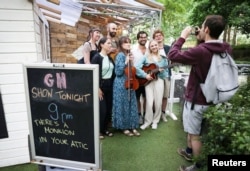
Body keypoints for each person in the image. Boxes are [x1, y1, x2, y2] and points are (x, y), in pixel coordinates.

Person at [168, 15, 232, 171]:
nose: (201, 29)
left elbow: (173, 55)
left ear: (207, 29)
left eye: (203, 27)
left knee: (195, 135)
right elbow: (205, 54)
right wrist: (200, 39)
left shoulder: (201, 51)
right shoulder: (226, 48)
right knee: (196, 131)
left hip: (197, 101)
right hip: (214, 98)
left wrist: (182, 37)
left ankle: (197, 166)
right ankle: (189, 152)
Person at [135, 40, 169, 130]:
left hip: (159, 81)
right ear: (149, 48)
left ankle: (155, 121)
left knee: (158, 102)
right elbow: (136, 67)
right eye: (152, 46)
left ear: (158, 46)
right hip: (148, 82)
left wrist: (161, 72)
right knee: (149, 102)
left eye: (155, 45)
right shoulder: (146, 57)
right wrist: (145, 75)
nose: (154, 47)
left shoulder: (163, 58)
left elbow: (165, 73)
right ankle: (147, 121)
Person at [112, 36, 140, 137]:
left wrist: (131, 61)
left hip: (130, 82)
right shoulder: (120, 55)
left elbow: (132, 70)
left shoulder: (128, 54)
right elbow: (118, 72)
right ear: (121, 45)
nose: (128, 44)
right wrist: (126, 61)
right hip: (121, 83)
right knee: (123, 105)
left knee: (131, 104)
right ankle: (124, 127)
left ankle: (132, 126)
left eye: (129, 42)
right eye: (125, 43)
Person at [91, 37, 115, 139]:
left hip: (110, 86)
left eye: (111, 43)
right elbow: (92, 73)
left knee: (109, 109)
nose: (110, 45)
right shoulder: (97, 57)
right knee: (102, 109)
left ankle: (105, 129)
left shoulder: (109, 58)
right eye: (108, 43)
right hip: (100, 86)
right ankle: (98, 131)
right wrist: (97, 88)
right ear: (101, 45)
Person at [152, 29, 177, 121]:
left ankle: (163, 113)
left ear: (163, 37)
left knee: (165, 95)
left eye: (160, 35)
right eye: (156, 36)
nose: (158, 37)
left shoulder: (168, 48)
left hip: (166, 75)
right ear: (154, 38)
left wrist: (172, 64)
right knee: (155, 96)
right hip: (155, 76)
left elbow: (173, 62)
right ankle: (155, 113)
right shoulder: (152, 48)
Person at [131, 31, 148, 125]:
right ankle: (138, 115)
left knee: (146, 97)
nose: (143, 39)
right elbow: (132, 66)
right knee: (137, 97)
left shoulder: (149, 50)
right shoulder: (133, 50)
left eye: (145, 37)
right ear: (138, 39)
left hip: (148, 79)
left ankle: (145, 115)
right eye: (141, 37)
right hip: (137, 78)